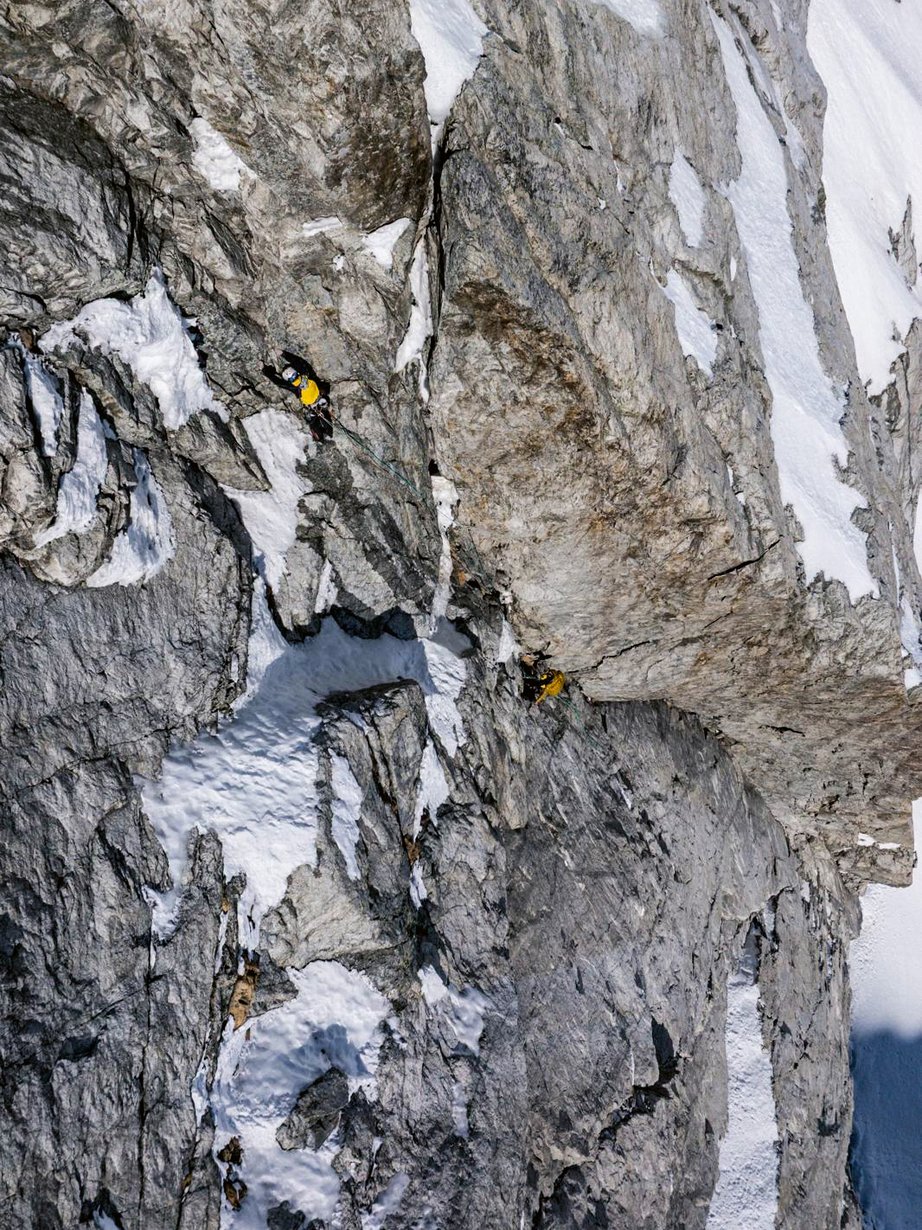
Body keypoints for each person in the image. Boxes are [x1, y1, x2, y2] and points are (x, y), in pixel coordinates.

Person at [262, 351, 334, 443]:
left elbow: (279, 382)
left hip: (315, 405)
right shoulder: (305, 375)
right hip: (319, 401)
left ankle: (322, 437)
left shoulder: (295, 387)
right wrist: (283, 354)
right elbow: (298, 362)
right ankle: (324, 435)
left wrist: (265, 371)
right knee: (321, 418)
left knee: (315, 421)